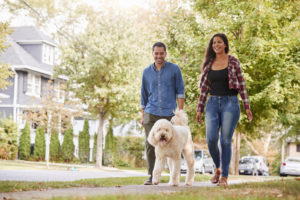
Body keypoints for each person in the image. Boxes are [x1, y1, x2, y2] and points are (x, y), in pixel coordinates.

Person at [196, 33, 253, 187]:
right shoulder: (208, 64)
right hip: (212, 103)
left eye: (219, 42)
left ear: (225, 44)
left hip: (230, 103)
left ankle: (225, 177)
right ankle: (218, 167)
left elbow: (241, 84)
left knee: (225, 140)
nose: (216, 45)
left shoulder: (233, 61)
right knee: (211, 139)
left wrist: (247, 107)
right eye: (214, 43)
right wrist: (199, 109)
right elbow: (204, 89)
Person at [141, 42, 185, 185]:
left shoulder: (174, 69)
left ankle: (174, 176)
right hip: (150, 111)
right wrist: (143, 115)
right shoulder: (146, 72)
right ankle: (152, 176)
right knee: (150, 144)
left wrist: (180, 112)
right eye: (156, 53)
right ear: (152, 54)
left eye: (161, 53)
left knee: (172, 144)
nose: (159, 56)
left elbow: (180, 91)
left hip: (169, 113)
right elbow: (143, 94)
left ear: (165, 54)